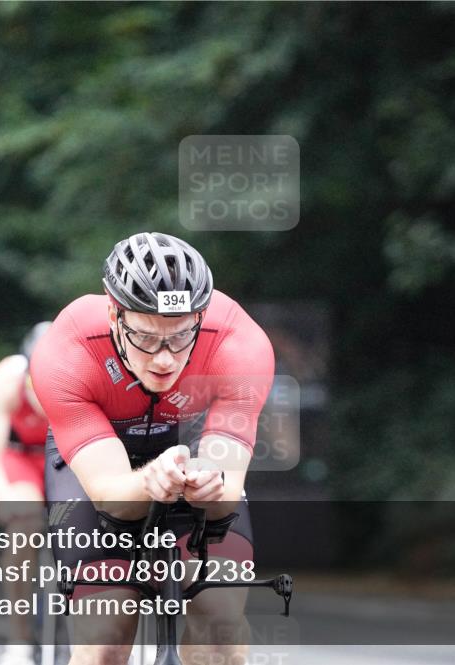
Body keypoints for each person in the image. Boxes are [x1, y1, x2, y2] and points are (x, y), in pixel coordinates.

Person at [33, 232, 274, 665]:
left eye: (181, 338)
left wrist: (207, 482)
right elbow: (111, 498)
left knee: (222, 633)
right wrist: (149, 479)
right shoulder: (68, 350)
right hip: (100, 462)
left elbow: (224, 493)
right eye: (145, 337)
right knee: (104, 641)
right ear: (113, 313)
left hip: (194, 447)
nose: (164, 359)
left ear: (201, 318)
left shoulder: (239, 345)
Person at [0, 322, 53, 665]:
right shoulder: (5, 380)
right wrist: (3, 498)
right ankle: (19, 637)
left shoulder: (84, 381)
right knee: (24, 522)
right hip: (22, 459)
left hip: (66, 457)